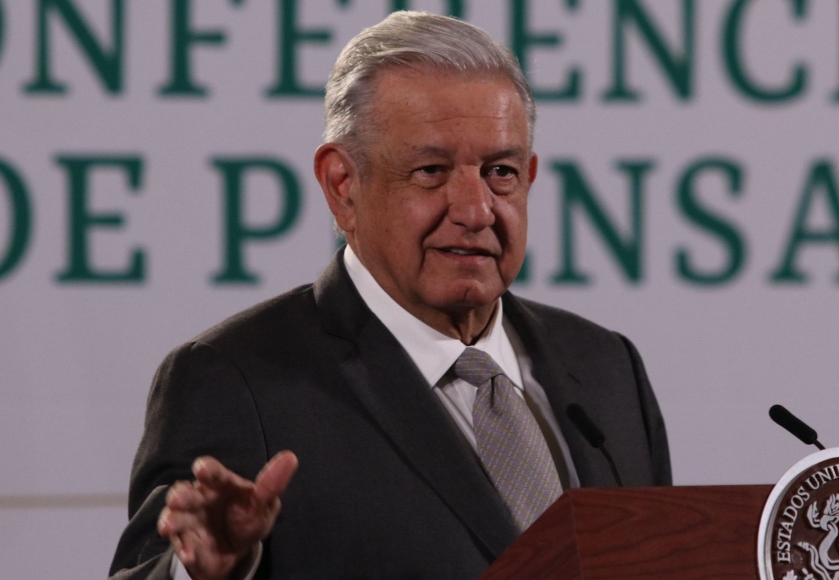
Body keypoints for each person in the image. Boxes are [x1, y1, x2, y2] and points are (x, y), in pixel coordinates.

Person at [109, 11, 670, 580]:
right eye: (430, 170)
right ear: (342, 186)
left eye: (500, 171)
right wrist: (204, 570)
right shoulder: (238, 379)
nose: (475, 210)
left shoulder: (605, 367)